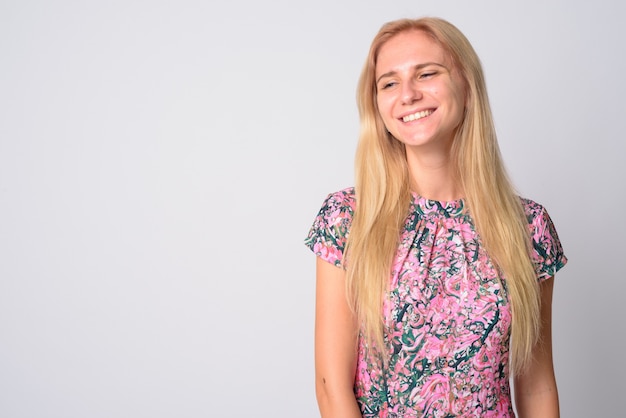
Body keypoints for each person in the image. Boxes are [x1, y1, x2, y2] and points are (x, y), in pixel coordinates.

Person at [304, 17, 567, 418]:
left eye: (426, 74)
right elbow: (331, 386)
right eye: (389, 83)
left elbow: (536, 386)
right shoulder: (348, 219)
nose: (407, 94)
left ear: (466, 85)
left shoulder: (528, 227)